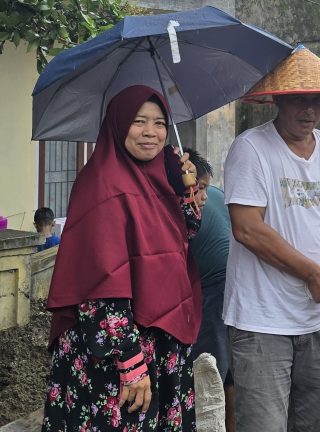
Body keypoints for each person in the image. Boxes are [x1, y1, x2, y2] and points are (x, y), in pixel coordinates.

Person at [223, 46, 320, 432]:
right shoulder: (251, 149)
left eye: (316, 101)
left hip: (317, 321)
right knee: (264, 425)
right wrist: (313, 274)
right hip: (261, 320)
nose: (309, 110)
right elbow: (247, 228)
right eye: (298, 100)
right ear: (277, 99)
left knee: (315, 423)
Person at [42, 85, 202, 431]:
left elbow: (180, 238)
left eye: (160, 123)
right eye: (138, 121)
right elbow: (101, 281)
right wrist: (129, 360)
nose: (151, 132)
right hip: (119, 349)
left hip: (161, 338)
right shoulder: (102, 184)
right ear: (116, 125)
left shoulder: (158, 177)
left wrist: (182, 186)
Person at [186, 149, 236, 431]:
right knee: (225, 358)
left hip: (217, 283)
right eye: (198, 188)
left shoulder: (189, 209)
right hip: (235, 278)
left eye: (202, 187)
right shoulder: (216, 193)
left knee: (213, 365)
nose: (202, 195)